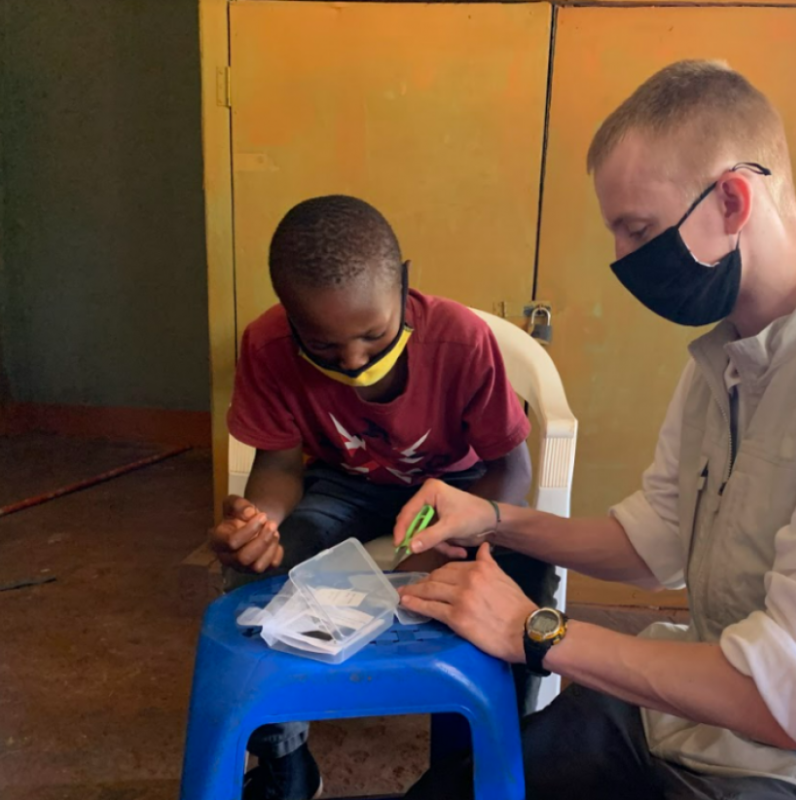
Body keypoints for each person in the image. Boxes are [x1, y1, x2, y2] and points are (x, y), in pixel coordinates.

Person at [394, 61, 796, 800]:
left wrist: (537, 632)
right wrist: (495, 519)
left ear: (734, 199)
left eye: (639, 230)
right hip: (693, 719)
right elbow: (653, 544)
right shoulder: (725, 360)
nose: (622, 260)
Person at [209, 196, 557, 800]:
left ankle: (473, 766)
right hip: (343, 489)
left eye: (373, 334)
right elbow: (281, 468)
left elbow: (511, 469)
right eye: (321, 345)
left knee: (521, 574)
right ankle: (287, 763)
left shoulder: (461, 343)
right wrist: (259, 523)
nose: (353, 360)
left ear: (402, 283)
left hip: (457, 491)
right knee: (255, 588)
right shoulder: (265, 347)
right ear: (289, 319)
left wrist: (451, 535)